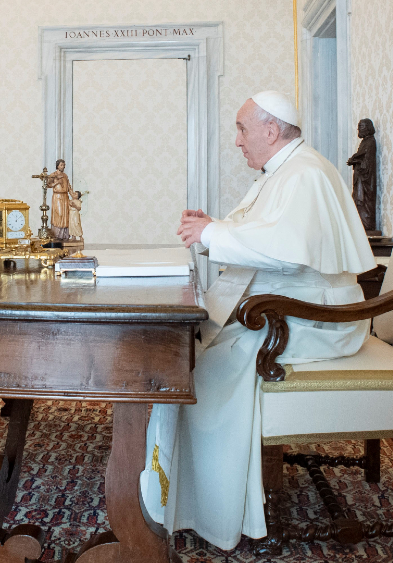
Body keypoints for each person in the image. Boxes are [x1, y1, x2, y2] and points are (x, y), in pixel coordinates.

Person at [140, 91, 375, 550]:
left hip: (316, 318)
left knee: (201, 374)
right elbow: (268, 234)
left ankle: (209, 506)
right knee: (189, 356)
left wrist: (213, 233)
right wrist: (215, 228)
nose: (236, 141)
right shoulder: (285, 170)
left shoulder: (304, 173)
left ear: (271, 131)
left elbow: (283, 250)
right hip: (295, 307)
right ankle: (183, 491)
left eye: (242, 129)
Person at [48, 159, 75, 239]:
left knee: (65, 215)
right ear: (57, 166)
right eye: (61, 165)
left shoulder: (65, 175)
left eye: (64, 165)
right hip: (57, 196)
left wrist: (72, 194)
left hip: (65, 196)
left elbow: (68, 186)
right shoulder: (53, 175)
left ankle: (64, 236)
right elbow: (48, 185)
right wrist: (56, 183)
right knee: (59, 214)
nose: (63, 166)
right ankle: (57, 235)